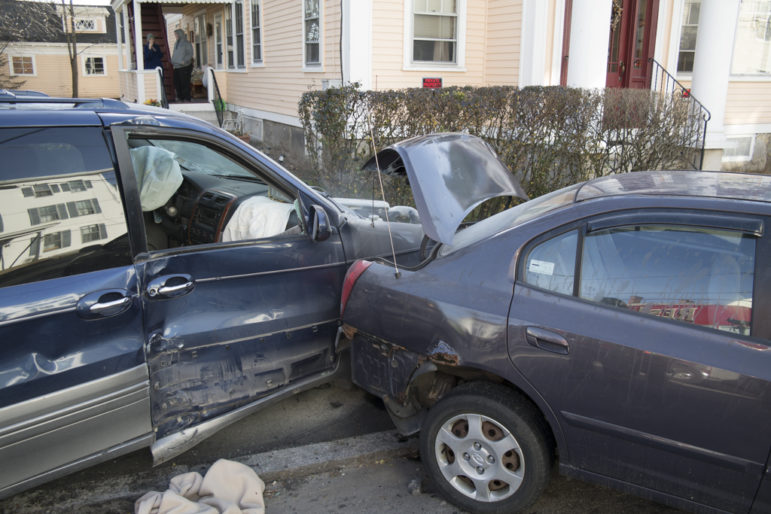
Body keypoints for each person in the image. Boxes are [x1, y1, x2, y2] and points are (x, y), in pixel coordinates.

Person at [171, 29, 194, 101]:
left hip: (184, 67)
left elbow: (190, 54)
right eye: (175, 34)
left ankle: (187, 97)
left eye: (177, 34)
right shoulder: (176, 43)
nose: (176, 36)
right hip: (176, 66)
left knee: (185, 82)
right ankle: (180, 97)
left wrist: (184, 61)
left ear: (180, 34)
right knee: (177, 82)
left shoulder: (186, 43)